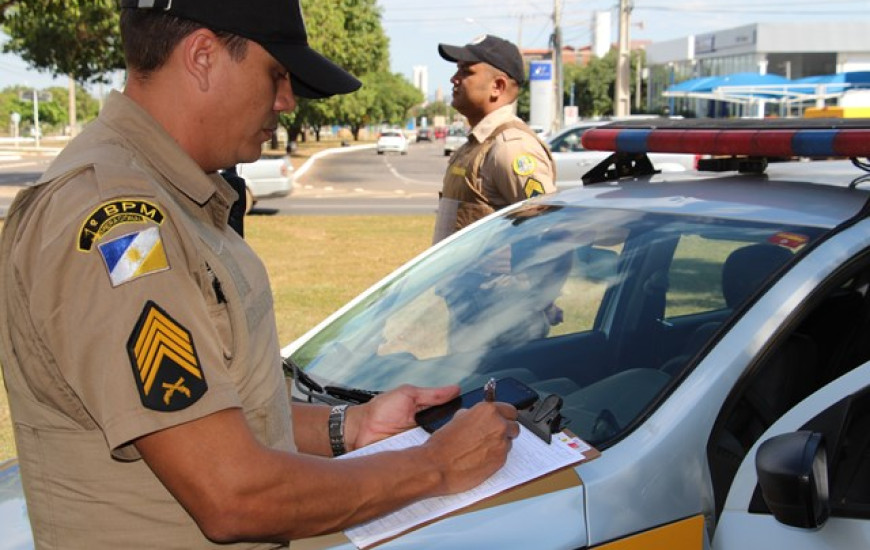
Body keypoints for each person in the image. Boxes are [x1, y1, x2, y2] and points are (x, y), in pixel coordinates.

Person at [0, 1, 519, 547]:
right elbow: (232, 494)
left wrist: (353, 427)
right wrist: (434, 466)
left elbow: (211, 414)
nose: (287, 101)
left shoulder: (173, 196)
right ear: (202, 56)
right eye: (275, 74)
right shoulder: (116, 218)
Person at [433, 34, 557, 244]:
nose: (454, 79)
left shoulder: (512, 148)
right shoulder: (477, 143)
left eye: (466, 71)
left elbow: (547, 233)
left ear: (497, 86)